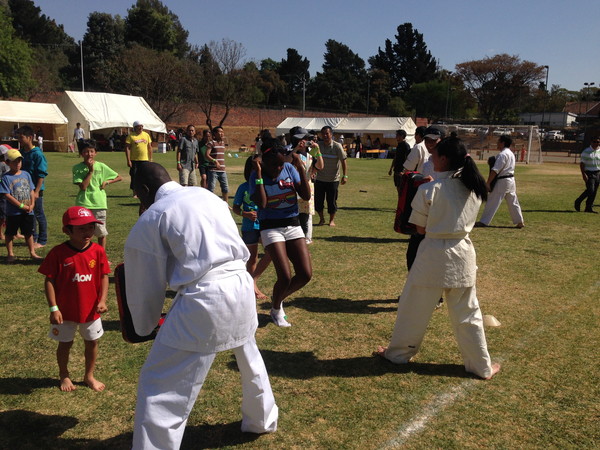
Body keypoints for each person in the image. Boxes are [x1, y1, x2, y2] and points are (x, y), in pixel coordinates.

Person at [124, 162, 278, 448]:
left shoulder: (154, 216)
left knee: (160, 382)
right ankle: (262, 419)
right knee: (249, 356)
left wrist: (143, 326)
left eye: (136, 192)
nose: (137, 198)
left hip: (205, 297)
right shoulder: (206, 195)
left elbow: (145, 281)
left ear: (145, 189)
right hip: (240, 285)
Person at [375, 137, 501, 380]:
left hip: (432, 253)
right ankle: (481, 366)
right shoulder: (474, 188)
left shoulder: (428, 189)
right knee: (468, 313)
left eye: (434, 154)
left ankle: (397, 354)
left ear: (444, 158)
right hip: (461, 254)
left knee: (413, 308)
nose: (431, 158)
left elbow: (420, 229)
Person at [38, 206, 109, 392]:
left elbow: (104, 276)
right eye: (81, 228)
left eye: (91, 227)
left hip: (90, 310)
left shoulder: (98, 251)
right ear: (67, 231)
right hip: (65, 312)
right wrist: (54, 308)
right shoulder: (58, 253)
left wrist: (102, 300)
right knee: (65, 343)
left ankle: (89, 376)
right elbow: (49, 280)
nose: (88, 232)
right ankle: (64, 375)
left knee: (92, 342)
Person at [250, 139, 312, 327]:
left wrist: (300, 168)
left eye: (281, 164)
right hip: (270, 227)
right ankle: (276, 308)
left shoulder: (289, 168)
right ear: (264, 161)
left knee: (305, 274)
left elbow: (306, 196)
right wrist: (259, 174)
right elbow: (262, 203)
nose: (278, 168)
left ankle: (277, 298)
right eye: (274, 165)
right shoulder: (256, 175)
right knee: (284, 276)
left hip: (292, 224)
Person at [233, 156, 272, 299]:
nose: (255, 173)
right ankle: (252, 288)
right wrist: (246, 214)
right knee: (252, 259)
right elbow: (235, 208)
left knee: (271, 252)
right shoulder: (243, 188)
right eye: (253, 170)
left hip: (265, 226)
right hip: (249, 227)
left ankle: (252, 281)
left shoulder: (265, 186)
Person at [72, 139, 122, 248]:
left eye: (91, 151)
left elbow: (119, 177)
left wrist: (107, 182)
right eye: (86, 151)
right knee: (83, 231)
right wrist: (90, 171)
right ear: (81, 154)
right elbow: (83, 187)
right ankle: (84, 252)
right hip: (83, 203)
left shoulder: (101, 166)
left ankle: (101, 254)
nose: (89, 154)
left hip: (99, 204)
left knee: (101, 232)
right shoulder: (77, 168)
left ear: (96, 153)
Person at [0, 148, 43, 262]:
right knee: (10, 233)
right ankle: (10, 254)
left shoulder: (26, 174)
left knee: (29, 233)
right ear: (7, 163)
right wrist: (21, 206)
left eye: (19, 161)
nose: (17, 163)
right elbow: (7, 195)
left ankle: (32, 252)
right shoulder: (6, 177)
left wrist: (32, 204)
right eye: (14, 161)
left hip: (28, 211)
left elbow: (31, 190)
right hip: (14, 212)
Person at [475, 135, 524, 228]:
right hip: (511, 180)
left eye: (498, 142)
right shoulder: (511, 154)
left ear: (503, 143)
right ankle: (519, 221)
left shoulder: (502, 155)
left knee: (492, 201)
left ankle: (484, 221)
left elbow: (495, 170)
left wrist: (488, 182)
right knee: (513, 201)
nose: (497, 143)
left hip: (502, 181)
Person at [290, 127, 324, 244]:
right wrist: (296, 149)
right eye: (303, 139)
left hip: (308, 186)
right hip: (294, 186)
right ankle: (296, 238)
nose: (305, 141)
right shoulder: (292, 153)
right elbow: (286, 162)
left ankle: (307, 238)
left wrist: (318, 151)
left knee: (307, 213)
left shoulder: (310, 154)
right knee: (295, 213)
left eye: (306, 139)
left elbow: (320, 166)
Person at [16, 125, 48, 249]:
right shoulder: (21, 153)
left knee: (38, 214)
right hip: (24, 189)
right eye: (18, 137)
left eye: (21, 137)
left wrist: (37, 191)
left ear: (30, 137)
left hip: (35, 190)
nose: (19, 140)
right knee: (29, 214)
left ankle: (42, 240)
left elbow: (41, 174)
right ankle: (32, 238)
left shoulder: (37, 154)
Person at [314, 126, 348, 227]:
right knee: (318, 201)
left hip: (333, 180)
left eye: (327, 133)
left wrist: (345, 175)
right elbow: (311, 158)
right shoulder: (318, 145)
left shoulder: (337, 146)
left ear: (331, 134)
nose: (325, 136)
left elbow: (343, 161)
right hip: (319, 179)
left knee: (332, 201)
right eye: (323, 134)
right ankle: (321, 219)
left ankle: (331, 220)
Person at [574, 136, 600, 213]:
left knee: (594, 191)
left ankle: (588, 208)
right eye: (594, 142)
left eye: (598, 142)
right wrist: (583, 175)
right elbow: (582, 164)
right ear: (591, 142)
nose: (596, 143)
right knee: (590, 190)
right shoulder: (586, 151)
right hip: (589, 173)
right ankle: (578, 201)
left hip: (598, 172)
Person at [125, 120, 153, 191]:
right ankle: (135, 192)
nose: (141, 128)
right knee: (134, 176)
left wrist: (150, 158)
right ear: (135, 127)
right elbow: (127, 148)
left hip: (145, 159)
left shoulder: (146, 135)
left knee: (144, 176)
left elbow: (149, 147)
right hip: (134, 160)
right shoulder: (131, 136)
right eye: (139, 127)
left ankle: (144, 191)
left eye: (142, 126)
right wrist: (128, 160)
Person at [205, 126, 229, 201]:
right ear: (215, 133)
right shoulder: (211, 143)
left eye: (222, 132)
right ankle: (209, 204)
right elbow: (207, 155)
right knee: (211, 189)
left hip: (222, 170)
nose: (222, 133)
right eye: (219, 132)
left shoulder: (223, 143)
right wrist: (215, 161)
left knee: (225, 188)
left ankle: (226, 204)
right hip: (213, 170)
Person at [0, 145, 11, 240]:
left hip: (7, 192)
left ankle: (14, 232)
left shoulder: (6, 164)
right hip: (3, 193)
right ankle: (1, 233)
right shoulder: (2, 165)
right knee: (3, 214)